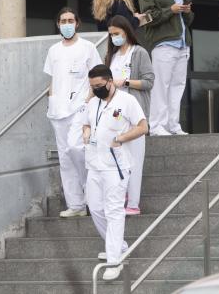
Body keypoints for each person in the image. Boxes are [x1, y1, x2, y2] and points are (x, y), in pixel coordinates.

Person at [80, 64, 149, 281]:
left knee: (113, 211)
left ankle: (113, 260)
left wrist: (120, 138)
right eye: (92, 86)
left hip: (116, 167)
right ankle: (118, 246)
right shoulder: (93, 103)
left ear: (110, 81)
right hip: (94, 164)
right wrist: (87, 131)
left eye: (99, 86)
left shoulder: (127, 101)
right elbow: (86, 124)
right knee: (95, 207)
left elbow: (143, 126)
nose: (96, 89)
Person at [43, 7, 102, 218]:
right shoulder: (54, 50)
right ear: (58, 24)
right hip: (58, 110)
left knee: (76, 147)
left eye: (70, 20)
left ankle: (92, 194)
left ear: (77, 23)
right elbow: (52, 79)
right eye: (63, 21)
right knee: (65, 158)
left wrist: (91, 97)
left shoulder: (87, 47)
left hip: (80, 107)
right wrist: (51, 99)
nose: (67, 24)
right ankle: (75, 205)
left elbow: (98, 75)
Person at [139, 0, 194, 136]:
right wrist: (171, 10)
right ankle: (156, 125)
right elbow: (148, 18)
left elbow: (188, 21)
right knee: (161, 86)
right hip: (164, 44)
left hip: (182, 44)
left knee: (177, 86)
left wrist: (186, 11)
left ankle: (173, 125)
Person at [105, 15, 154, 215]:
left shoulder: (139, 52)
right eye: (111, 35)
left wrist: (124, 82)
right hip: (114, 115)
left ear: (126, 31)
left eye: (117, 33)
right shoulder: (111, 56)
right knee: (117, 158)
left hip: (134, 114)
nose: (114, 38)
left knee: (135, 160)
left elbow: (148, 81)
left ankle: (133, 203)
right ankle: (121, 195)